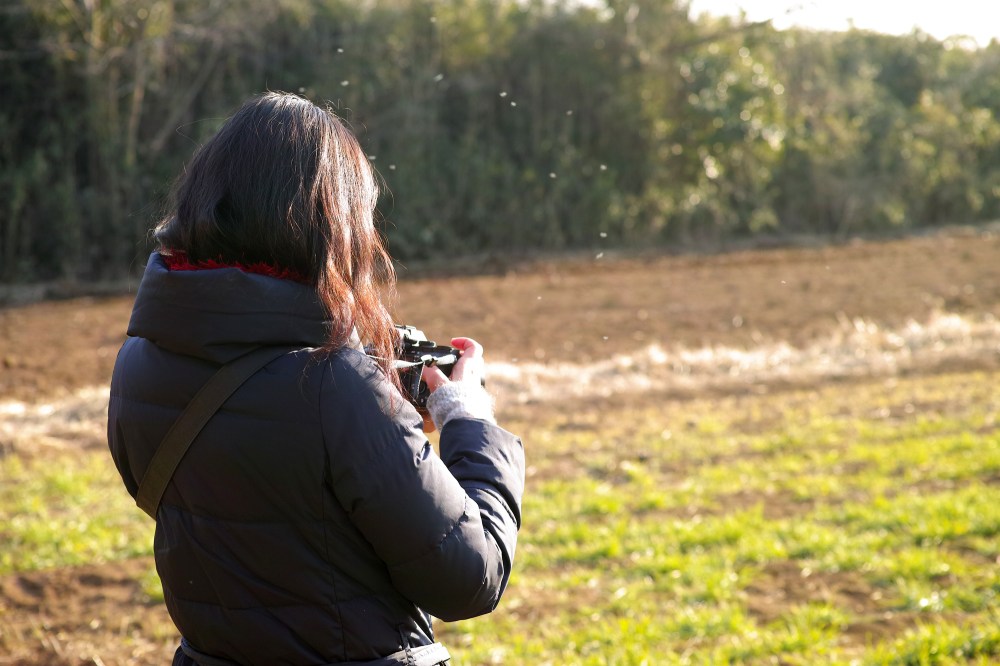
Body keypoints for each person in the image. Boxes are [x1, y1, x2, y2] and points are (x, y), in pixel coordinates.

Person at [107, 91, 524, 666]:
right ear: (331, 220)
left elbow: (251, 485)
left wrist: (385, 407)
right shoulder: (335, 386)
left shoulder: (138, 361)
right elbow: (468, 576)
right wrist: (468, 418)